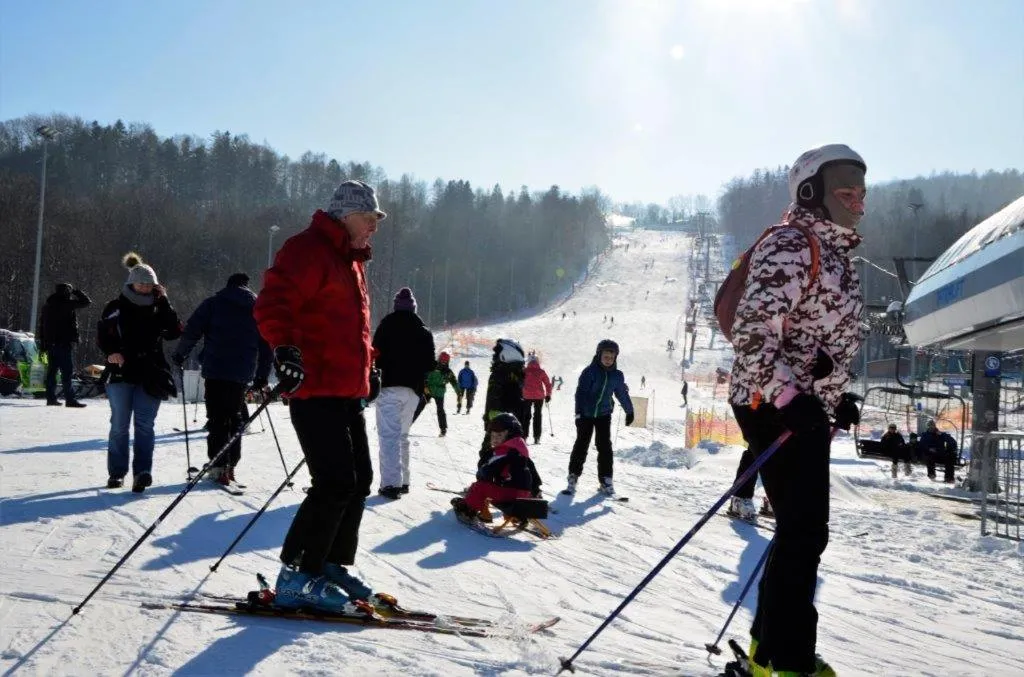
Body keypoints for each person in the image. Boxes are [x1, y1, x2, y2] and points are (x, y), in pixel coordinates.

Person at [727, 143, 867, 677]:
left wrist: (836, 395)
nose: (858, 204)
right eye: (846, 193)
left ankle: (773, 649)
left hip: (800, 406)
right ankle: (785, 658)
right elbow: (753, 333)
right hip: (771, 403)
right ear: (812, 192)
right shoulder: (791, 243)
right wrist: (792, 398)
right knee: (804, 531)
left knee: (800, 530)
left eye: (862, 194)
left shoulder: (835, 256)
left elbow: (818, 341)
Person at [254, 179, 384, 613]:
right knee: (334, 483)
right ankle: (294, 575)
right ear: (347, 215)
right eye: (370, 219)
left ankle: (328, 562)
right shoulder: (306, 249)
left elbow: (351, 329)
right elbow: (274, 302)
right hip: (314, 387)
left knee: (360, 480)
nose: (374, 228)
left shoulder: (351, 261)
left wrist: (370, 368)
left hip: (346, 389)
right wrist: (285, 348)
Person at [172, 273, 273, 487]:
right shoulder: (257, 308)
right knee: (235, 417)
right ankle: (231, 466)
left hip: (215, 368)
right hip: (242, 371)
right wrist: (262, 374)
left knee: (218, 418)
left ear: (228, 285)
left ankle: (218, 466)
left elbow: (192, 330)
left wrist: (181, 354)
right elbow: (267, 344)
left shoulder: (213, 303)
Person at [97, 253, 182, 492]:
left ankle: (142, 472)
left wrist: (164, 300)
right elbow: (103, 334)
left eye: (150, 283)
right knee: (120, 425)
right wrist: (112, 352)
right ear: (130, 282)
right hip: (121, 371)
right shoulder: (115, 306)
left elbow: (175, 330)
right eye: (141, 282)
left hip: (151, 372)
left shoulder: (158, 307)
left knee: (145, 425)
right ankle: (117, 472)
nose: (145, 286)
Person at [371, 287, 435, 500]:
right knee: (402, 435)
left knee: (389, 435)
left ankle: (391, 484)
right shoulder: (423, 329)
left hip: (389, 385)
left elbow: (374, 353)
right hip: (413, 391)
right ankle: (404, 480)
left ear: (396, 306)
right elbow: (430, 363)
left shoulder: (387, 324)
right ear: (414, 308)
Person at [565, 339, 634, 497]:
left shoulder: (617, 375)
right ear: (599, 355)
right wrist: (578, 414)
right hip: (586, 414)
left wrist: (629, 411)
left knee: (605, 447)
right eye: (606, 356)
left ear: (615, 358)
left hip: (604, 414)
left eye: (611, 357)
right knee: (582, 444)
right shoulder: (589, 372)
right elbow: (580, 394)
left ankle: (606, 479)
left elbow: (621, 393)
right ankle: (573, 476)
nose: (608, 359)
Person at [451, 412, 542, 522]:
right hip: (523, 495)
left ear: (511, 435)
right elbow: (532, 472)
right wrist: (536, 489)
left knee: (479, 487)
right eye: (493, 436)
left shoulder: (504, 452)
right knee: (491, 485)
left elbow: (487, 472)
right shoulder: (520, 450)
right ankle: (509, 516)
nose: (495, 439)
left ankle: (468, 509)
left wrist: (481, 473)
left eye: (499, 435)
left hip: (510, 494)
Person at [38, 282, 91, 407]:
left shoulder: (47, 306)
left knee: (52, 372)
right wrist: (76, 292)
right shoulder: (67, 304)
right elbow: (86, 302)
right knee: (67, 372)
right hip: (64, 343)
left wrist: (43, 344)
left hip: (50, 344)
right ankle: (70, 399)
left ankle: (50, 398)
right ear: (67, 291)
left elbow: (42, 326)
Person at [477, 338, 527, 467]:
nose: (494, 356)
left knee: (489, 454)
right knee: (507, 453)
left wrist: (492, 419)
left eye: (497, 353)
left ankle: (485, 482)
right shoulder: (514, 373)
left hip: (500, 424)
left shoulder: (502, 373)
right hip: (509, 423)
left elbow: (495, 399)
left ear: (508, 354)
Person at [425, 352, 460, 437]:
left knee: (440, 410)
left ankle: (443, 429)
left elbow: (454, 382)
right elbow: (424, 376)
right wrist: (424, 386)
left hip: (439, 393)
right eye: (442, 361)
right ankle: (406, 425)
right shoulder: (432, 367)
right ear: (439, 359)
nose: (443, 363)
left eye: (445, 361)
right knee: (417, 406)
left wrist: (459, 393)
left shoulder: (448, 372)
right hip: (428, 391)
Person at [522, 354, 553, 444]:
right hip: (539, 397)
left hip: (526, 396)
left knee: (526, 416)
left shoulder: (524, 371)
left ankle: (524, 436)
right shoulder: (541, 371)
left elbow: (519, 382)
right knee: (538, 415)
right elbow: (548, 384)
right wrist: (548, 395)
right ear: (537, 362)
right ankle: (537, 437)